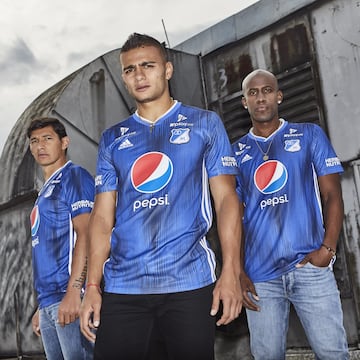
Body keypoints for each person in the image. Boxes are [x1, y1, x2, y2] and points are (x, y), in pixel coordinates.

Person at [79, 33, 243, 360]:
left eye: (148, 66)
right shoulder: (113, 139)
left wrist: (232, 272)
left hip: (188, 283)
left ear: (167, 70)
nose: (139, 75)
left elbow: (227, 201)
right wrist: (92, 286)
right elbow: (101, 219)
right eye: (129, 70)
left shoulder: (205, 124)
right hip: (123, 288)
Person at [232, 69, 349, 359]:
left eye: (267, 90)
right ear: (244, 102)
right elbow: (232, 218)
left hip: (310, 267)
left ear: (279, 96)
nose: (261, 98)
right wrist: (237, 269)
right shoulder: (235, 154)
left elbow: (332, 195)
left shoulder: (309, 135)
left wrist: (328, 250)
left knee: (332, 353)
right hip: (260, 277)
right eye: (253, 92)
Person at [28, 117, 94, 360]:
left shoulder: (74, 177)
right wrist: (41, 307)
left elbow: (87, 235)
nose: (40, 146)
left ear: (64, 142)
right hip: (49, 303)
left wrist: (74, 292)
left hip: (70, 297)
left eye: (48, 139)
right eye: (34, 141)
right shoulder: (43, 192)